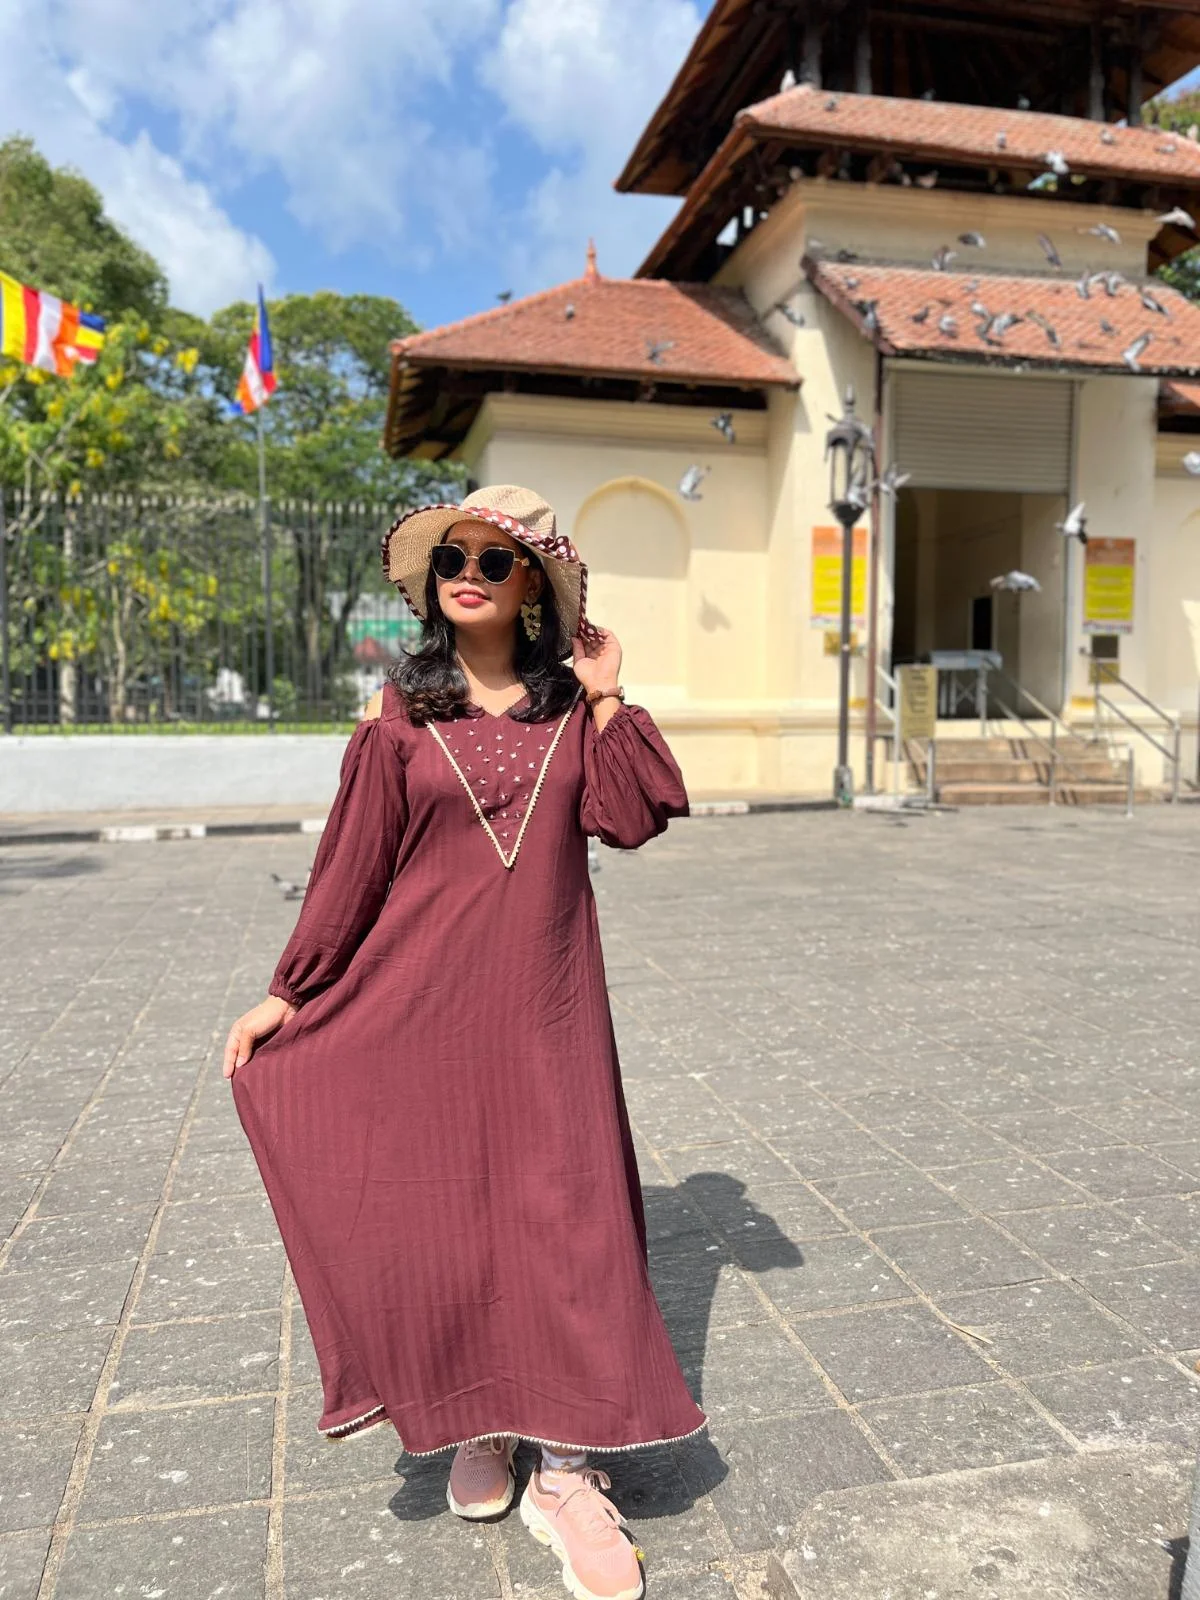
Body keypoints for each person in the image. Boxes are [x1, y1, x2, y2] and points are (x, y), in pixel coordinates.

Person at [223, 484, 706, 1600]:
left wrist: (608, 694)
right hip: (423, 1004)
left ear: (534, 581)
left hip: (547, 1006)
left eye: (496, 558)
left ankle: (566, 1473)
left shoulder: (569, 708)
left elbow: (633, 816)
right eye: (453, 557)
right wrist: (290, 992)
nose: (470, 574)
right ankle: (478, 1417)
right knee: (448, 1215)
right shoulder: (399, 713)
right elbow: (352, 866)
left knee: (568, 1219)